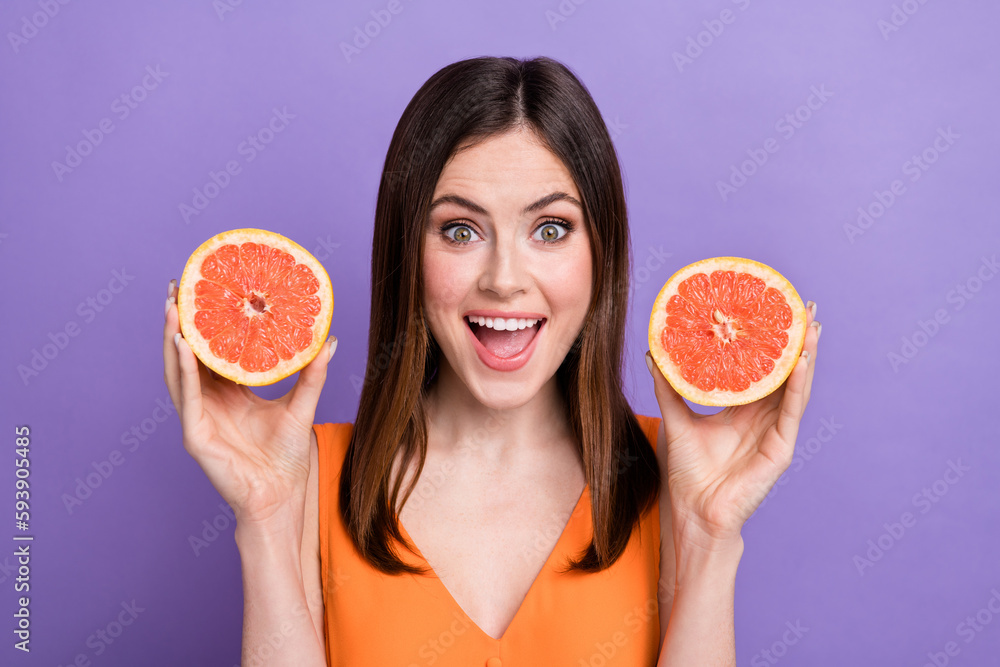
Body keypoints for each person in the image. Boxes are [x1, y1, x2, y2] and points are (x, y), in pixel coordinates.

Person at [162, 56, 821, 666]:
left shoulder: (674, 477)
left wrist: (709, 533)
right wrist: (267, 517)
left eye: (551, 228)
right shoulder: (308, 480)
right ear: (408, 254)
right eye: (459, 230)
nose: (505, 279)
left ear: (603, 254)